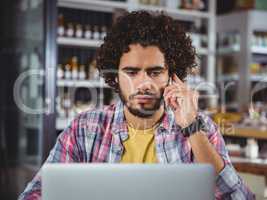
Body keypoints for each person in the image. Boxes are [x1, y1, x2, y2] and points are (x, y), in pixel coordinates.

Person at [19, 10, 255, 200]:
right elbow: (35, 194)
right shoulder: (85, 129)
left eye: (155, 72)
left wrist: (191, 128)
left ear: (173, 76)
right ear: (115, 76)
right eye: (131, 72)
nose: (143, 84)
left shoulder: (201, 129)